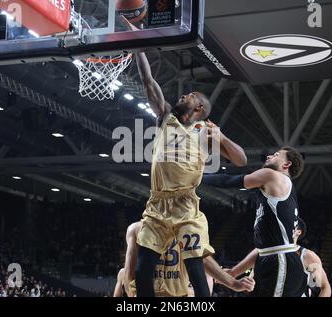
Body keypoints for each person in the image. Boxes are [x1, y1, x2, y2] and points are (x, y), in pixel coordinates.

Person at [123, 18, 248, 297]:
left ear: (199, 107)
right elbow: (147, 79)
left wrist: (223, 137)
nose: (183, 95)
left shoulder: (205, 131)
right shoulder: (166, 116)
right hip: (157, 204)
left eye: (189, 95)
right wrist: (137, 45)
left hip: (186, 204)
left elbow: (240, 161)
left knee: (194, 262)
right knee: (143, 269)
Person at [203, 147, 308, 297]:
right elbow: (262, 249)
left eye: (277, 155)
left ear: (286, 165)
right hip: (274, 259)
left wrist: (195, 177)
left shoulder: (272, 175)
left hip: (280, 261)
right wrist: (234, 272)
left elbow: (228, 180)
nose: (270, 155)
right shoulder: (273, 191)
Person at [114, 222, 255, 297]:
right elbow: (203, 259)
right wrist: (234, 284)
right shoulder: (188, 229)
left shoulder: (137, 228)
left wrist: (234, 283)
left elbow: (129, 273)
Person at [225, 218, 331, 297]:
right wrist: (247, 285)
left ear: (298, 232)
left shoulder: (307, 256)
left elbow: (325, 287)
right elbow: (235, 275)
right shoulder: (261, 251)